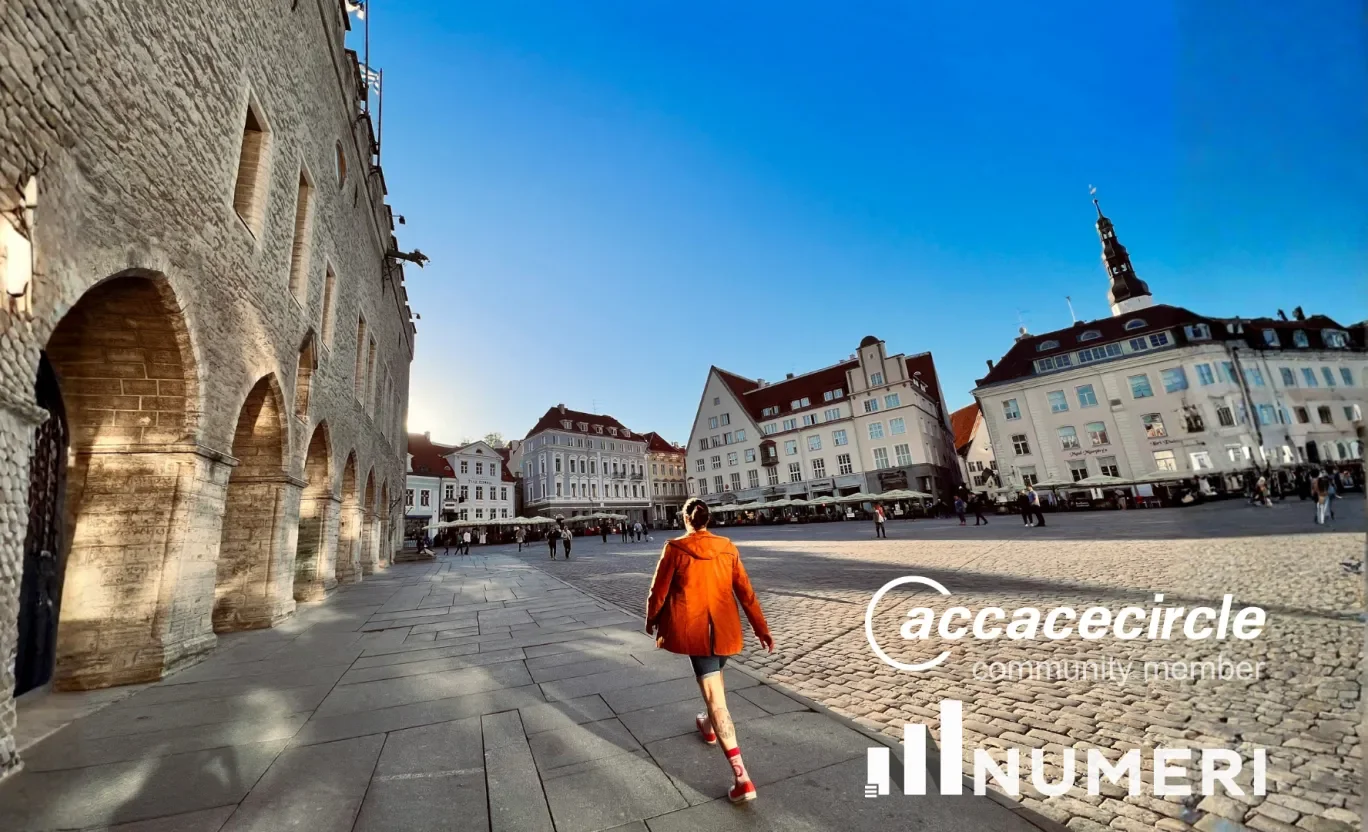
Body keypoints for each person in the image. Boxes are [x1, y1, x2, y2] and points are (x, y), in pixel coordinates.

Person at [646, 498, 774, 803]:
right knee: (713, 686)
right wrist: (761, 629)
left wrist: (652, 618)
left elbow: (658, 590)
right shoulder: (727, 546)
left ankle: (742, 778)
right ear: (708, 520)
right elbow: (746, 591)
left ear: (686, 520)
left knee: (717, 699)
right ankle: (707, 724)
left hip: (697, 632)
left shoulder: (675, 548)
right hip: (726, 632)